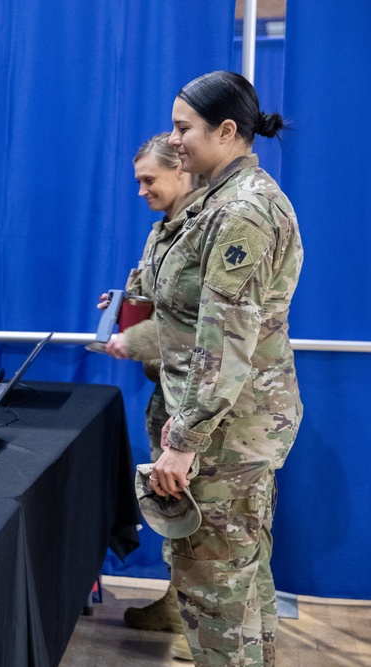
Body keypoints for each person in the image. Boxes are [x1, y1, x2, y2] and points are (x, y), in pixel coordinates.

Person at [150, 71, 303, 666]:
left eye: (184, 127)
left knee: (214, 595)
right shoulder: (217, 202)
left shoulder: (242, 211)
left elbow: (226, 341)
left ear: (228, 130)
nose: (175, 139)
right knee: (241, 587)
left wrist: (184, 440)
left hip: (225, 436)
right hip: (230, 428)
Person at [97, 134, 205, 645]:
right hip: (171, 393)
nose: (140, 190)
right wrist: (124, 304)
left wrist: (131, 338)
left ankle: (202, 635)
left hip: (205, 404)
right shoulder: (163, 231)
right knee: (179, 515)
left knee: (212, 528)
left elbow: (206, 326)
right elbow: (156, 297)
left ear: (181, 172)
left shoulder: (210, 228)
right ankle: (177, 606)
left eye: (149, 179)